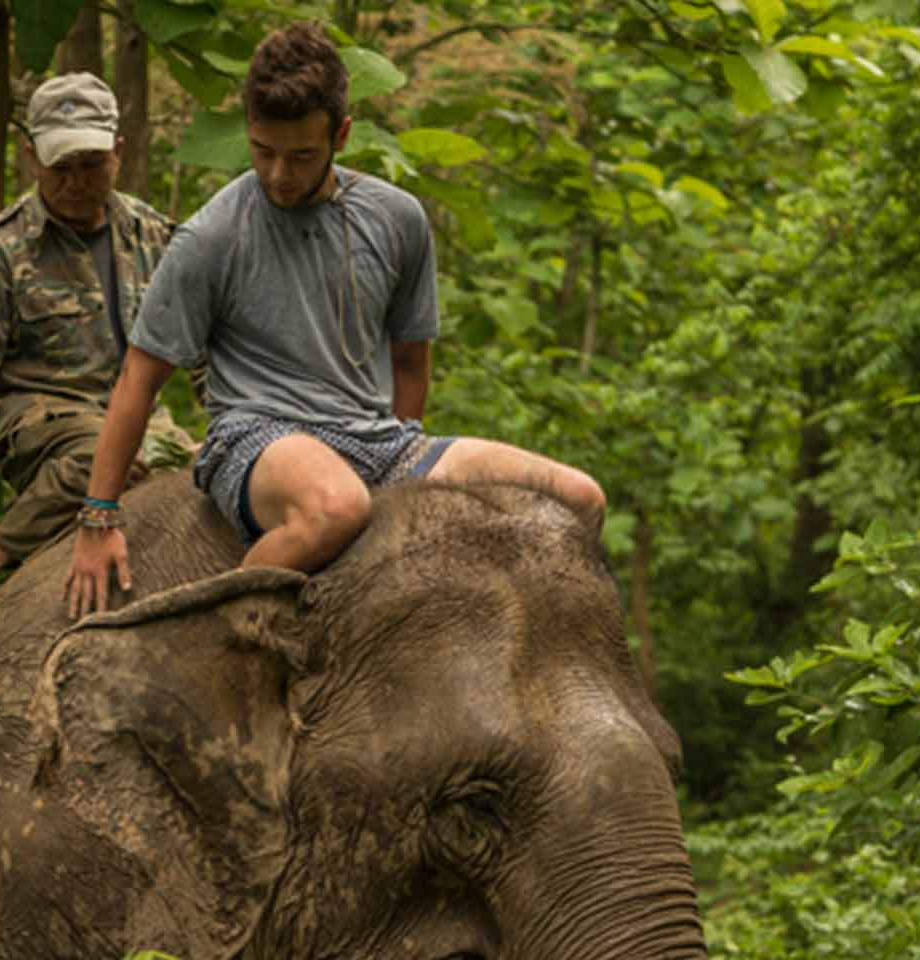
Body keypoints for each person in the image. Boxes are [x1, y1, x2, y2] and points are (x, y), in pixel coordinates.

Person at [63, 21, 605, 620]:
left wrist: (405, 489)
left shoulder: (397, 219)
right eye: (262, 151)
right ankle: (215, 637)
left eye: (300, 156)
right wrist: (98, 515)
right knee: (337, 507)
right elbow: (139, 378)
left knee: (578, 497)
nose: (277, 175)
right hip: (257, 435)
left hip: (379, 439)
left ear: (341, 135)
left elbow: (409, 360)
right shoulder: (213, 235)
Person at [0, 71, 186, 641]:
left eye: (91, 164)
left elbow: (208, 348)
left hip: (141, 421)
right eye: (60, 167)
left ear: (118, 151)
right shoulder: (2, 248)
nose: (77, 182)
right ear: (32, 156)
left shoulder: (154, 235)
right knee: (106, 451)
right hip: (40, 423)